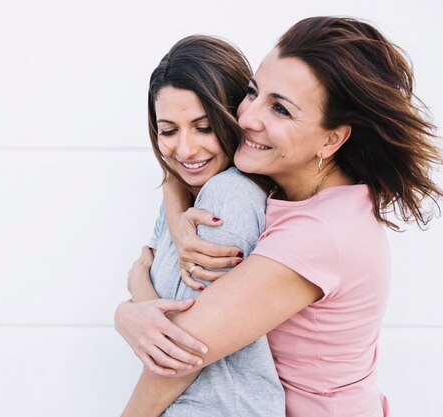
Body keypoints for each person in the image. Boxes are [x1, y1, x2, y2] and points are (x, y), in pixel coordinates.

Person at [115, 16, 442, 417]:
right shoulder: (310, 196)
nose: (248, 118)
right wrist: (175, 201)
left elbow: (180, 349)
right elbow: (190, 174)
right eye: (253, 92)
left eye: (281, 109)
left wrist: (130, 309)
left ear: (332, 138)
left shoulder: (319, 234)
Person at [117, 35, 285, 416]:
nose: (186, 150)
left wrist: (133, 297)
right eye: (169, 130)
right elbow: (172, 316)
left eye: (204, 127)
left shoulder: (230, 197)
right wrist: (129, 311)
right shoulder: (187, 194)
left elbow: (182, 347)